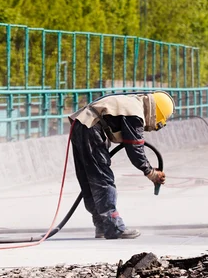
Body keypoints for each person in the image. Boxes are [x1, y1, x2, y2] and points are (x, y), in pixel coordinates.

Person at [68, 91, 174, 239]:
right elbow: (135, 148)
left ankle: (102, 225)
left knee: (89, 178)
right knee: (102, 178)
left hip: (81, 125)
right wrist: (151, 172)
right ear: (156, 113)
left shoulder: (131, 104)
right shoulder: (135, 113)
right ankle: (113, 227)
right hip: (91, 129)